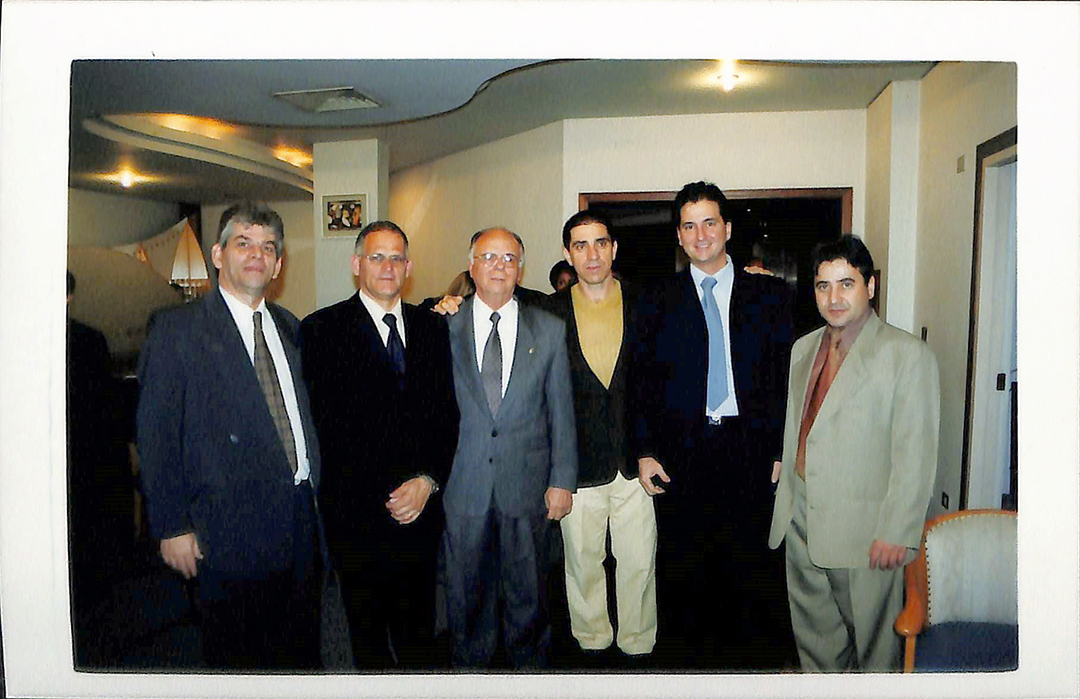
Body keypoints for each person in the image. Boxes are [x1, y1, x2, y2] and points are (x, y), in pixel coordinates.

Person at [136, 202, 323, 669]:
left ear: (278, 265)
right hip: (227, 529)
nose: (257, 254)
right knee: (240, 660)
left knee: (300, 652)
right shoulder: (176, 330)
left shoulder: (290, 326)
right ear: (218, 255)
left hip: (299, 520)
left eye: (268, 247)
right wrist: (171, 525)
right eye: (244, 243)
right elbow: (157, 435)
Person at [634, 181, 796, 669]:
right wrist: (644, 450)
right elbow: (641, 380)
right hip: (682, 454)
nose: (700, 234)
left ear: (727, 228)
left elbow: (785, 379)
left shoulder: (769, 294)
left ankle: (749, 674)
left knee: (750, 572)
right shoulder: (656, 298)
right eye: (689, 226)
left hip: (750, 450)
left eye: (709, 222)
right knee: (685, 573)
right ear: (679, 236)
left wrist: (780, 450)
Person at [768, 235, 940, 671]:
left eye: (846, 284)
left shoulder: (907, 356)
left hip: (866, 537)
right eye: (823, 286)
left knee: (875, 656)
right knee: (817, 651)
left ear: (871, 286)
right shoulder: (803, 348)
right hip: (800, 522)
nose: (834, 298)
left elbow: (915, 457)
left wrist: (897, 532)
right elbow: (801, 426)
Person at [300, 221, 458, 669]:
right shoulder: (321, 329)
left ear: (408, 267)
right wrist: (386, 495)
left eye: (396, 258)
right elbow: (326, 427)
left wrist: (427, 481)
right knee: (366, 639)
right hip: (356, 515)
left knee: (418, 635)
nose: (387, 267)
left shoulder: (432, 328)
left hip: (420, 511)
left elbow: (446, 415)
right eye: (376, 257)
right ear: (357, 264)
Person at [441, 227, 577, 668]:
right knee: (466, 599)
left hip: (528, 487)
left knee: (529, 599)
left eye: (509, 258)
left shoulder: (550, 330)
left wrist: (562, 480)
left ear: (521, 268)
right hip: (464, 486)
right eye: (489, 257)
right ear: (471, 266)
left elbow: (561, 410)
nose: (499, 266)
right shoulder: (441, 326)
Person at [545, 211, 656, 662]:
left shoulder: (646, 301)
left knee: (639, 562)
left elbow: (658, 382)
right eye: (581, 245)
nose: (592, 254)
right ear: (568, 253)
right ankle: (591, 642)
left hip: (635, 462)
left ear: (614, 248)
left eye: (600, 243)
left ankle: (639, 645)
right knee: (583, 563)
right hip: (577, 465)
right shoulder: (546, 312)